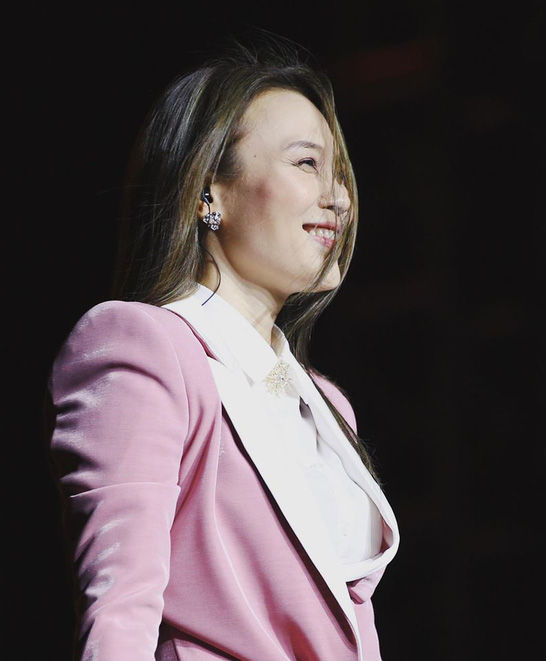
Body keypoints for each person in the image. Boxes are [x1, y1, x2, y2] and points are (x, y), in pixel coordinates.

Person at [45, 29, 400, 661]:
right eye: (307, 164)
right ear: (209, 191)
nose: (339, 198)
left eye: (340, 174)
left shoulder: (325, 404)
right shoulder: (144, 346)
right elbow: (120, 610)